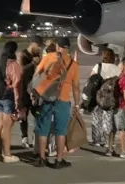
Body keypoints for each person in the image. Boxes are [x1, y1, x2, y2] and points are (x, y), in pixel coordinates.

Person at [32, 37, 80, 169]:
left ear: (58, 46)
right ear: (68, 48)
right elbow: (76, 87)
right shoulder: (73, 64)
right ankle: (59, 160)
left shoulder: (49, 58)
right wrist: (77, 104)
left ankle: (41, 158)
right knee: (61, 130)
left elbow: (37, 74)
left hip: (46, 98)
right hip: (63, 100)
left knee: (42, 129)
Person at [0, 41, 23, 163]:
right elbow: (16, 84)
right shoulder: (13, 64)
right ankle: (7, 154)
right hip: (8, 97)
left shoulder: (1, 61)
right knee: (7, 127)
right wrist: (18, 102)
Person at [89, 48, 119, 151]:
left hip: (98, 95)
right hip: (110, 96)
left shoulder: (98, 66)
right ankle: (107, 141)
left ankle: (97, 140)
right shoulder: (116, 68)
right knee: (108, 119)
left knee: (96, 117)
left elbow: (91, 78)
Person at [18, 36, 43, 148]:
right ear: (33, 44)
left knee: (37, 113)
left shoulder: (37, 55)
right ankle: (24, 138)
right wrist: (33, 63)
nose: (39, 49)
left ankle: (35, 137)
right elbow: (20, 70)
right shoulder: (22, 54)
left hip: (34, 89)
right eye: (38, 46)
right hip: (23, 89)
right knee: (24, 115)